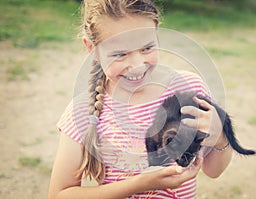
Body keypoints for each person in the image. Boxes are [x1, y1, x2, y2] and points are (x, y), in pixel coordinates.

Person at [48, 0, 233, 198]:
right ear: (92, 48)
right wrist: (139, 184)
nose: (137, 65)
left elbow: (214, 171)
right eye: (120, 54)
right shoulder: (82, 111)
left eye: (147, 48)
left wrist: (220, 135)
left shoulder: (188, 88)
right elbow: (59, 194)